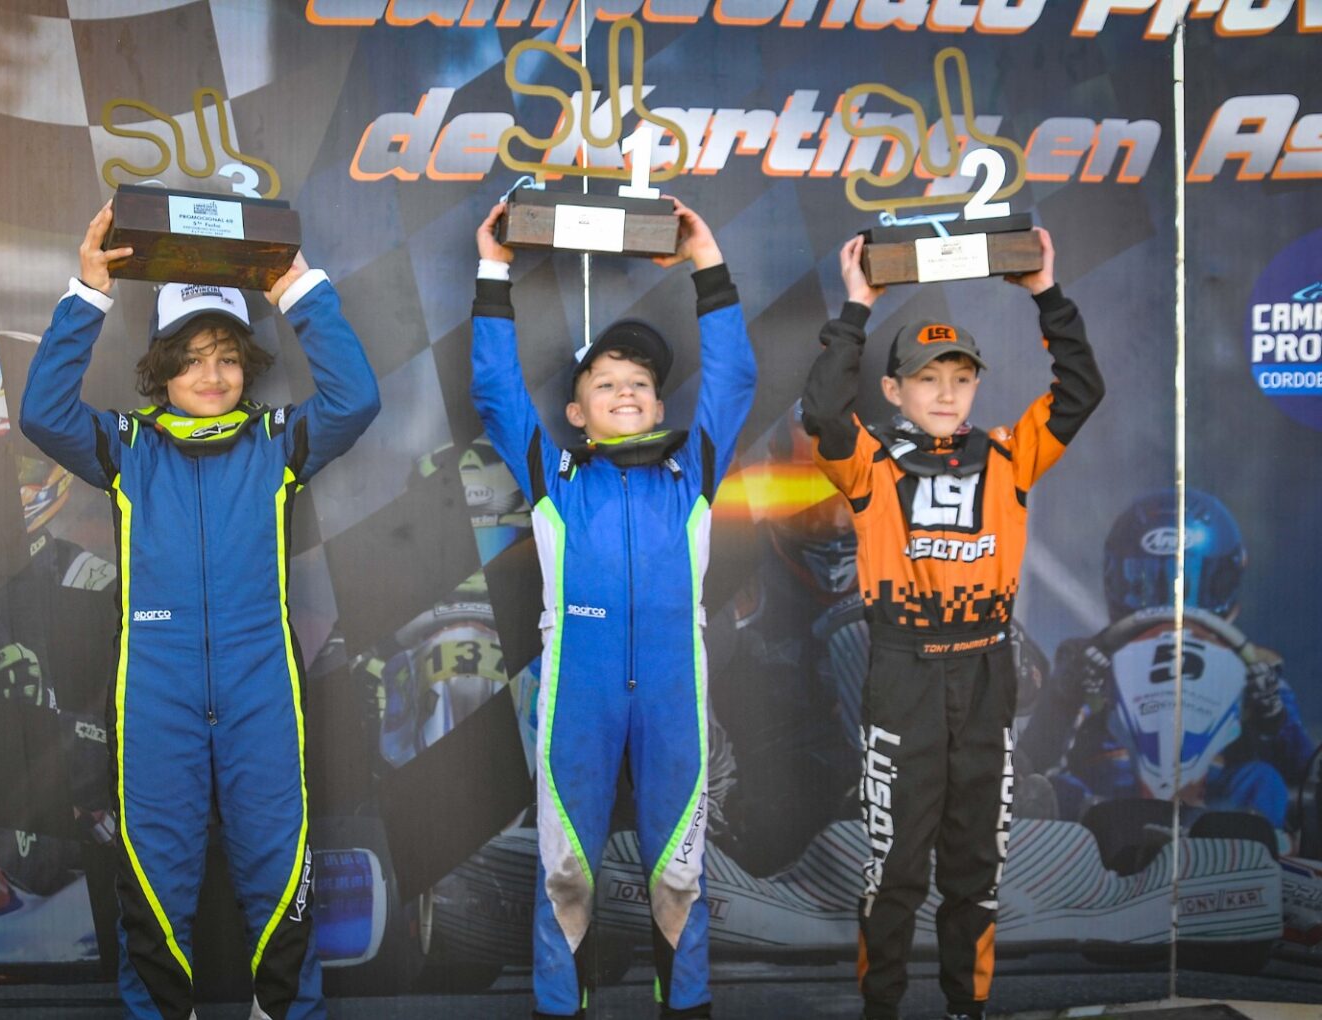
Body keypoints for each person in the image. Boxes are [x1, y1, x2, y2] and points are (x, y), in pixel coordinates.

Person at [19, 203, 380, 1020]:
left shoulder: (280, 441)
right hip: (156, 695)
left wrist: (298, 292)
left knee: (281, 881)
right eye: (189, 360)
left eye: (225, 357)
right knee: (154, 887)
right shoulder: (127, 448)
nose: (211, 376)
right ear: (160, 370)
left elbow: (356, 399)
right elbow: (42, 414)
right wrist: (89, 291)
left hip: (262, 691)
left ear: (248, 364)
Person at [801, 230, 1104, 1020]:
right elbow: (822, 409)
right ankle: (882, 1007)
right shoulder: (868, 462)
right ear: (893, 389)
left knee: (976, 865)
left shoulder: (1011, 455)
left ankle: (967, 1007)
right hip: (902, 672)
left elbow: (1080, 391)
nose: (946, 393)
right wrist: (857, 306)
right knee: (895, 867)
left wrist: (1045, 292)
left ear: (976, 387)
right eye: (927, 378)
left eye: (961, 378)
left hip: (983, 674)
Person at [471, 196, 754, 1018]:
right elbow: (494, 386)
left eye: (641, 383)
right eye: (605, 383)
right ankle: (562, 1007)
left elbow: (734, 376)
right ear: (576, 411)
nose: (625, 392)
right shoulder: (553, 476)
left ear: (661, 406)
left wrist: (706, 259)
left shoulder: (694, 470)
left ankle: (686, 1005)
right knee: (566, 873)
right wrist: (493, 268)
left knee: (680, 874)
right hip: (578, 690)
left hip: (673, 689)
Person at [1021, 487, 1315, 832]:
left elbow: (1302, 773)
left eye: (1187, 580)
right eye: (1146, 579)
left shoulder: (1256, 668)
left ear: (1223, 579)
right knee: (1057, 787)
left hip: (1216, 808)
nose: (1168, 598)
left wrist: (1274, 716)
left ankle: (1256, 844)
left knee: (1265, 781)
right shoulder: (1088, 660)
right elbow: (1034, 756)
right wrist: (1065, 696)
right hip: (1108, 801)